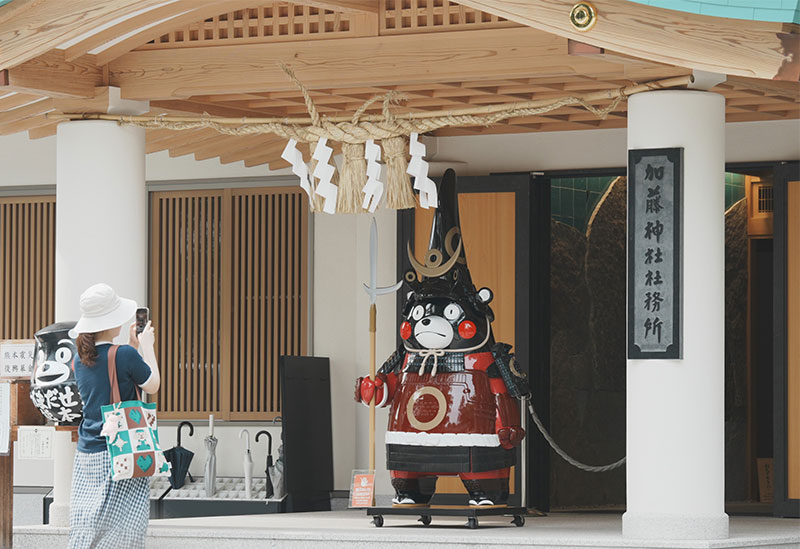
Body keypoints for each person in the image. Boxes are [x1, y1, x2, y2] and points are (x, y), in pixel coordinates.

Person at [68, 283, 160, 549]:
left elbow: (107, 382)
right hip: (123, 449)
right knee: (125, 523)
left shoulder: (78, 358)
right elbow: (152, 385)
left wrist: (132, 345)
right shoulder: (125, 354)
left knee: (90, 520)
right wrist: (148, 346)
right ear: (112, 321)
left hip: (88, 453)